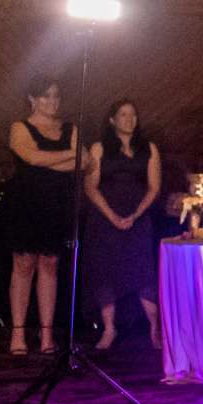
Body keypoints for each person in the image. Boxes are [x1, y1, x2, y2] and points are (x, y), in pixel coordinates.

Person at [1, 77, 78, 355]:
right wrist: (68, 157)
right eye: (45, 96)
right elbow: (30, 158)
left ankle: (46, 335)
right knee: (23, 264)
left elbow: (85, 162)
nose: (52, 102)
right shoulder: (19, 127)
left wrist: (59, 160)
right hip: (26, 201)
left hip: (57, 203)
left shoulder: (70, 128)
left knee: (50, 264)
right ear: (32, 99)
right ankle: (18, 333)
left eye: (56, 96)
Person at [81, 98, 160, 351]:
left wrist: (135, 215)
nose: (129, 119)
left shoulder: (149, 149)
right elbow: (90, 187)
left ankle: (154, 330)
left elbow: (154, 187)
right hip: (105, 219)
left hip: (138, 218)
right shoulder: (99, 148)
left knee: (144, 273)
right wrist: (112, 216)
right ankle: (109, 328)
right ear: (112, 120)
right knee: (105, 272)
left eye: (133, 115)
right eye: (123, 115)